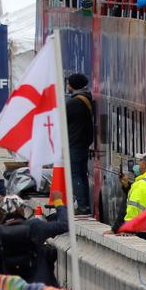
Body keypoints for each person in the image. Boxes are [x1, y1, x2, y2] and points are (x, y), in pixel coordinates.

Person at [65, 73, 95, 214]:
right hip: (83, 143)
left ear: (72, 85)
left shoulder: (75, 102)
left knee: (75, 175)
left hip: (75, 143)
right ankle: (85, 205)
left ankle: (82, 206)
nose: (67, 86)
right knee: (82, 175)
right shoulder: (87, 98)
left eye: (68, 83)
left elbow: (60, 118)